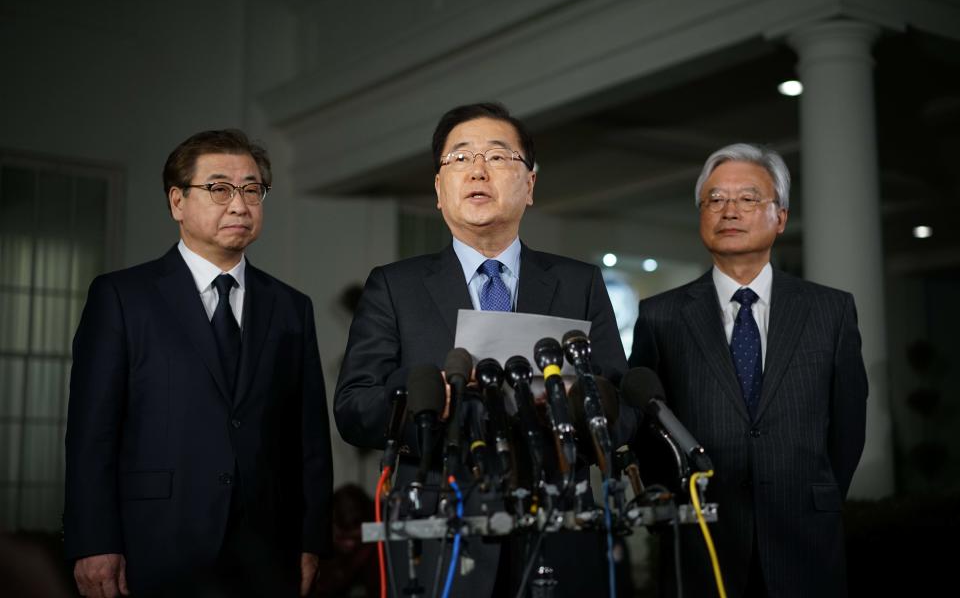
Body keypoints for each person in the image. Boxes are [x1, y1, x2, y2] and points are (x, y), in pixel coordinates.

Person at [334, 102, 633, 597]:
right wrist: (431, 403)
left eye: (497, 157)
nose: (477, 170)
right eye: (459, 158)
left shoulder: (579, 282)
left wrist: (569, 405)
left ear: (530, 184)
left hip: (557, 523)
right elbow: (354, 407)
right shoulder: (395, 286)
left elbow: (621, 411)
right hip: (440, 530)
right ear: (438, 189)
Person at [63, 129, 334, 597]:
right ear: (177, 202)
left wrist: (311, 539)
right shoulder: (123, 298)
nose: (239, 204)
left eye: (252, 189)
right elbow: (92, 432)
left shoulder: (291, 307)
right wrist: (93, 540)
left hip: (267, 549)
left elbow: (308, 439)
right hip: (154, 542)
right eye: (218, 188)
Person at [628, 143, 868, 598]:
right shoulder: (661, 316)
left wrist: (821, 494)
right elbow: (647, 427)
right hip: (704, 540)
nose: (729, 211)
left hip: (805, 538)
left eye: (747, 199)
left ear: (780, 217)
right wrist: (676, 499)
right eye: (715, 200)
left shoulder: (830, 311)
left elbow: (848, 422)